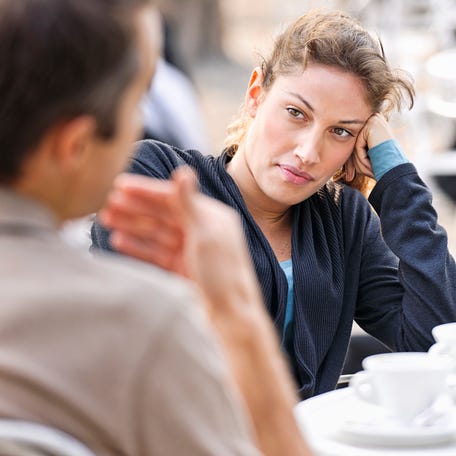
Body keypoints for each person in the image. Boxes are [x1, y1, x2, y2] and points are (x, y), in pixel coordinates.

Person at [91, 8, 456, 399]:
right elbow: (141, 341)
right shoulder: (158, 173)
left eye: (340, 131)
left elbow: (434, 342)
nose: (308, 152)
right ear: (255, 94)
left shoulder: (344, 219)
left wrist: (395, 179)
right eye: (296, 113)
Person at [0, 0, 311, 454]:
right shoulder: (146, 326)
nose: (143, 123)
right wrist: (237, 311)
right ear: (75, 144)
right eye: (138, 96)